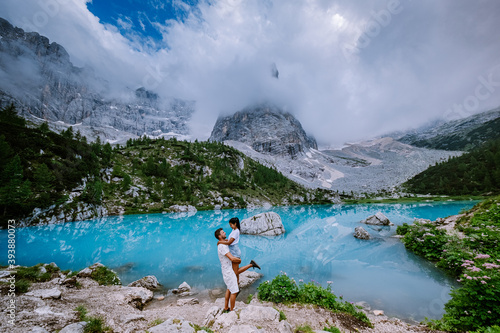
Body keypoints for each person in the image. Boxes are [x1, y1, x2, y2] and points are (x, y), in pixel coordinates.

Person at [215, 227, 260, 312]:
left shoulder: (222, 243)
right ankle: (232, 310)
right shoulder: (222, 247)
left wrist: (219, 241)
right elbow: (231, 258)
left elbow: (227, 241)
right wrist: (239, 260)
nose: (225, 233)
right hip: (228, 271)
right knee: (234, 291)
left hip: (227, 270)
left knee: (229, 288)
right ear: (219, 235)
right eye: (223, 232)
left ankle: (226, 307)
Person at [217, 217, 257, 285]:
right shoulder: (234, 230)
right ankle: (237, 283)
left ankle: (251, 264)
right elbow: (229, 240)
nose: (230, 226)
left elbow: (229, 243)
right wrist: (223, 241)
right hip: (234, 252)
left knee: (236, 272)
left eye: (231, 225)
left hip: (235, 253)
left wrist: (220, 242)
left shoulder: (236, 231)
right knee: (236, 269)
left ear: (235, 224)